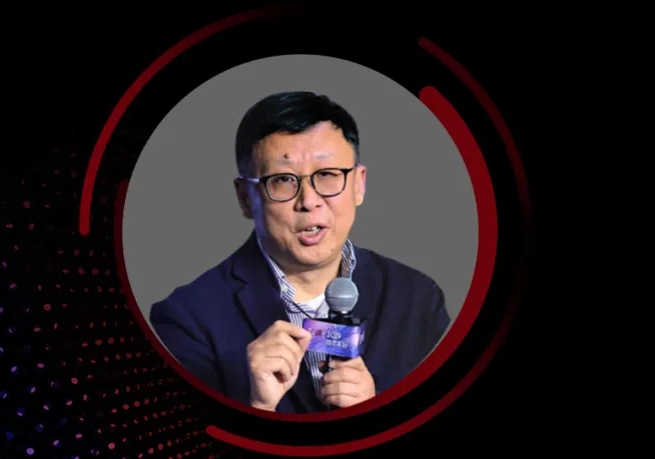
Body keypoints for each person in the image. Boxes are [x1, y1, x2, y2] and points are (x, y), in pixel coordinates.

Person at [149, 91, 451, 414]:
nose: (309, 201)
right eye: (283, 180)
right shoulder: (186, 319)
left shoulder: (418, 298)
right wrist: (257, 408)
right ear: (245, 198)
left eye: (327, 175)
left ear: (359, 184)